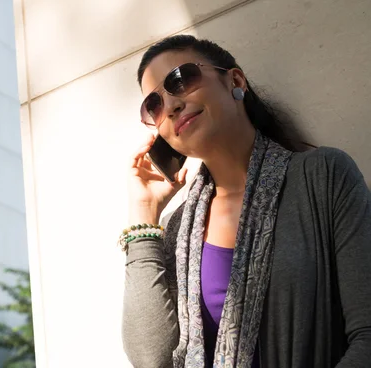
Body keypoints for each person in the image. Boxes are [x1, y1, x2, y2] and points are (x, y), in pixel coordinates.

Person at [121, 35, 371, 368]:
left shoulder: (322, 176)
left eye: (181, 79)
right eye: (154, 105)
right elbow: (152, 359)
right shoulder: (178, 229)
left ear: (235, 80)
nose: (171, 106)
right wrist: (144, 219)